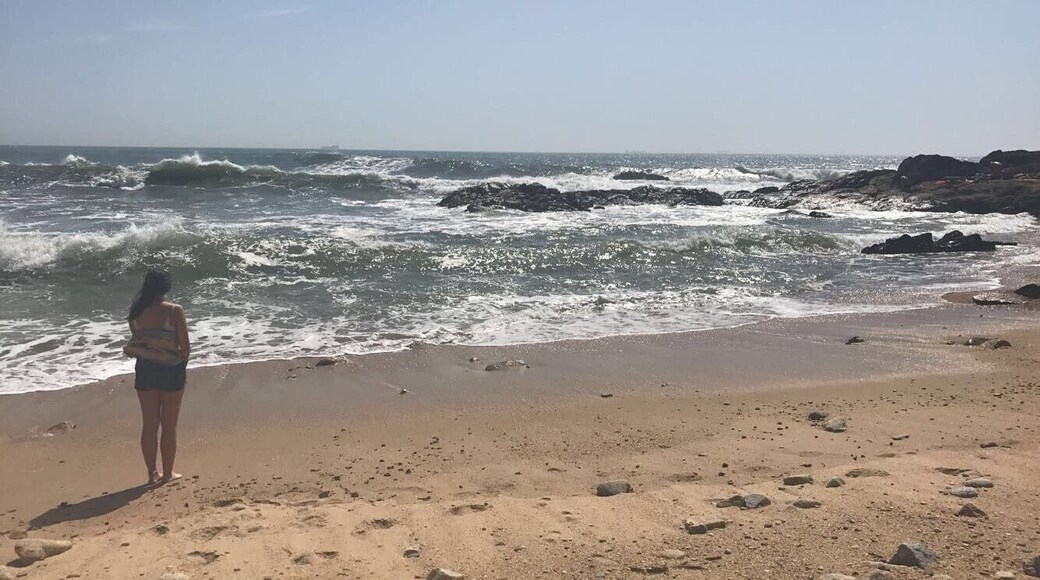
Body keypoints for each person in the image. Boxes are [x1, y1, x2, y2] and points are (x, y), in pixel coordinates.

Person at [126, 269, 190, 485]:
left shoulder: (136, 312)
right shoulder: (174, 311)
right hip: (171, 370)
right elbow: (185, 347)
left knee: (149, 425)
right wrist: (182, 365)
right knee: (169, 425)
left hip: (145, 369)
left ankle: (152, 474)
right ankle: (168, 473)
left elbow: (139, 340)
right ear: (166, 287)